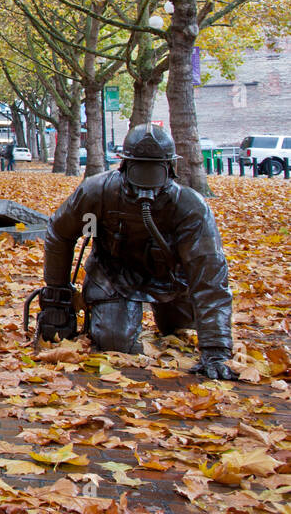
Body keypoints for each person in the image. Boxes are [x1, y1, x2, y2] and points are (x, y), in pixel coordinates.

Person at [38, 125, 235, 379]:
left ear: (170, 169)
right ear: (124, 166)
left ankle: (172, 315)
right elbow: (60, 232)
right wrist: (58, 291)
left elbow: (210, 277)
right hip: (114, 276)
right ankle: (105, 314)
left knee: (181, 329)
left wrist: (216, 349)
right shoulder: (96, 192)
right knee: (114, 341)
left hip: (171, 280)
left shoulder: (191, 208)